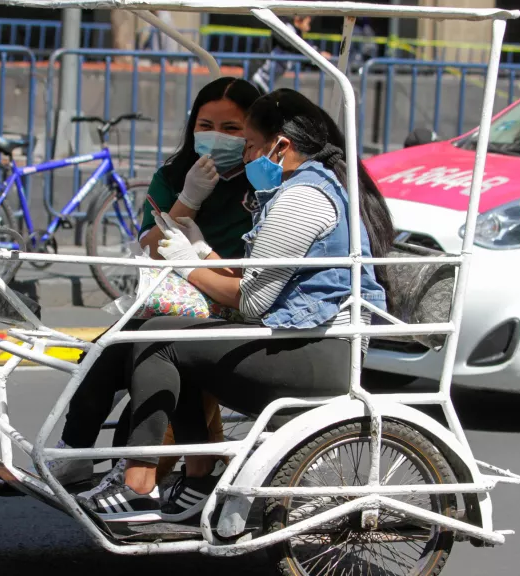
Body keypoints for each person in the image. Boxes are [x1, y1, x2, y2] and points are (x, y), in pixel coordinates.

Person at [78, 88, 395, 522]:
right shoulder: (301, 187)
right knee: (171, 333)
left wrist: (187, 265)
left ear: (279, 146)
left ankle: (139, 482)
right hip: (304, 339)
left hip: (319, 352)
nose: (244, 157)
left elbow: (252, 301)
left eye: (247, 144)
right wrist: (202, 251)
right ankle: (196, 477)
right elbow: (263, 275)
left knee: (158, 340)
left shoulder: (301, 198)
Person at [46, 77, 262, 492]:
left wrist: (198, 253)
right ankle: (75, 452)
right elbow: (153, 246)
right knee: (102, 356)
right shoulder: (175, 173)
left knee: (149, 358)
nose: (217, 137)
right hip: (170, 294)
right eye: (206, 125)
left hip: (228, 298)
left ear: (252, 133)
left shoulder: (261, 183)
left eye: (232, 129)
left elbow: (252, 277)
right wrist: (190, 197)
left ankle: (133, 477)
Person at [251, 15, 332, 95]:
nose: (308, 28)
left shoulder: (298, 37)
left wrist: (320, 58)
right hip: (256, 78)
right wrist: (317, 53)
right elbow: (294, 44)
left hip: (265, 84)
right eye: (308, 23)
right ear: (298, 19)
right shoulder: (287, 28)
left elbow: (303, 54)